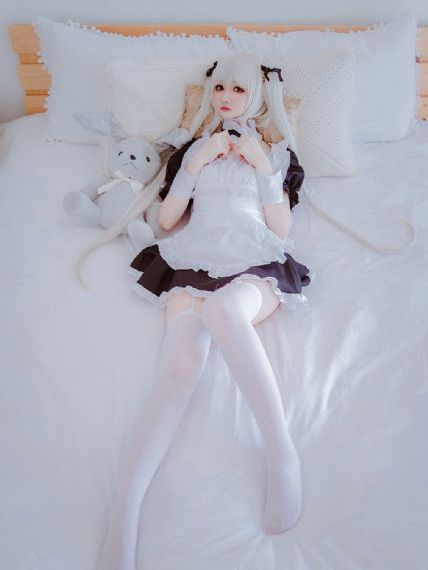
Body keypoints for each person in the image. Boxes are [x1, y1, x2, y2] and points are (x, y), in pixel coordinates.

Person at [95, 52, 312, 570]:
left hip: (254, 259)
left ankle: (281, 453)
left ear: (257, 95)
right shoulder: (195, 149)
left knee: (226, 313)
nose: (226, 98)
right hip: (192, 259)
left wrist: (262, 166)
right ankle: (125, 511)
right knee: (177, 370)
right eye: (219, 89)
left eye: (238, 90)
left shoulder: (276, 152)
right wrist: (194, 164)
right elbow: (167, 222)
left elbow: (281, 229)